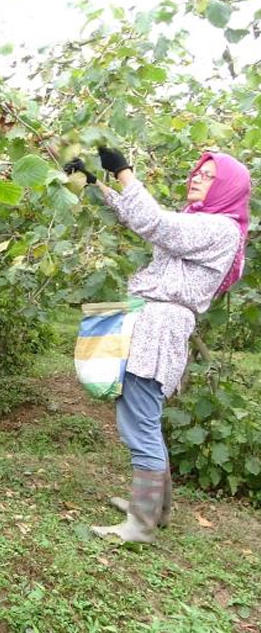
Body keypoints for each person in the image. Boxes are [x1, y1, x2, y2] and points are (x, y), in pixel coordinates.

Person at [67, 147, 250, 543]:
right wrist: (96, 183)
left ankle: (141, 524)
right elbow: (140, 220)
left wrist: (125, 172)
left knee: (138, 424)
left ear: (228, 187)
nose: (198, 178)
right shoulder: (198, 223)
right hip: (156, 323)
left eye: (210, 175)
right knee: (144, 418)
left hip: (159, 326)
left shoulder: (220, 229)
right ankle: (157, 510)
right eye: (198, 172)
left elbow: (154, 222)